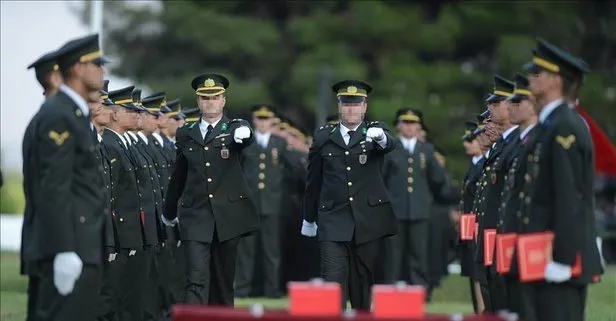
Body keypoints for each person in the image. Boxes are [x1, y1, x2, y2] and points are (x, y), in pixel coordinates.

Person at [515, 38, 603, 321]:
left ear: (555, 81)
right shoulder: (550, 125)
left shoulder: (565, 125)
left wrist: (563, 259)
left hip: (560, 259)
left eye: (537, 73)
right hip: (543, 254)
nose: (530, 78)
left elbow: (569, 195)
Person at [21, 33, 107, 321]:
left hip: (82, 244)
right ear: (77, 68)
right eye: (96, 64)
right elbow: (54, 187)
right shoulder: (60, 115)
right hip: (70, 247)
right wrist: (64, 250)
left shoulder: (73, 114)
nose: (102, 70)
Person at [163, 73, 260, 306]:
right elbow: (180, 174)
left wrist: (244, 134)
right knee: (195, 278)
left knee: (223, 282)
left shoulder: (235, 128)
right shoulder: (186, 133)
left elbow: (245, 137)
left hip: (228, 217)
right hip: (196, 215)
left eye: (215, 97)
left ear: (223, 101)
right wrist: (169, 212)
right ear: (198, 101)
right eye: (205, 98)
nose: (210, 102)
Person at [301, 80, 397, 310]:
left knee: (362, 283)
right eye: (346, 104)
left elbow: (389, 144)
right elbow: (313, 180)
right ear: (339, 106)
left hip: (367, 221)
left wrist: (380, 138)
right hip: (333, 218)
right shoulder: (325, 137)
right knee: (333, 282)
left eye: (356, 104)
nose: (351, 109)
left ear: (365, 106)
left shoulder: (375, 132)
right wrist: (309, 217)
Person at [235, 104, 297, 298]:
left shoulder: (279, 143)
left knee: (272, 250)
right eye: (259, 119)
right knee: (246, 250)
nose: (262, 123)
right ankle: (243, 289)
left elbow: (292, 168)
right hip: (250, 203)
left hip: (272, 203)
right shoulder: (246, 142)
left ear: (272, 121)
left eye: (266, 119)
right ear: (254, 120)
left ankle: (272, 289)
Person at [21, 48, 64, 321]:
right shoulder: (52, 120)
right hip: (50, 239)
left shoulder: (48, 117)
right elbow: (51, 187)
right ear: (56, 78)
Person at [382, 108, 445, 289]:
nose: (409, 127)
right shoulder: (390, 149)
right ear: (398, 125)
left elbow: (438, 179)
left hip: (419, 210)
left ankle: (419, 291)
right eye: (405, 123)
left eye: (413, 123)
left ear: (419, 127)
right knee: (393, 256)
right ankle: (390, 290)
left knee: (419, 254)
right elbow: (381, 179)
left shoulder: (426, 149)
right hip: (395, 210)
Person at [473, 75, 519, 312]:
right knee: (489, 287)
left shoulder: (516, 144)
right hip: (489, 230)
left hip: (503, 231)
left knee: (501, 293)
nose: (489, 110)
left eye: (495, 103)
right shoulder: (502, 145)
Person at [102, 85, 148, 320]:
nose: (137, 115)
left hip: (128, 232)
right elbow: (113, 193)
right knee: (113, 295)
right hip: (117, 231)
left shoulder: (120, 144)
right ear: (116, 113)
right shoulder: (109, 144)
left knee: (126, 292)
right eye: (130, 110)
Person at [494, 73, 538, 316]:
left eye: (517, 101)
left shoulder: (535, 139)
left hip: (531, 232)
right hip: (513, 230)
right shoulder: (519, 141)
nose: (510, 106)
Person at [458, 120, 486, 313]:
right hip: (470, 224)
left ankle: (482, 311)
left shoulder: (484, 163)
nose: (468, 143)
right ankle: (479, 311)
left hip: (479, 224)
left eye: (472, 138)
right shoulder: (474, 165)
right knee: (473, 272)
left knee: (479, 274)